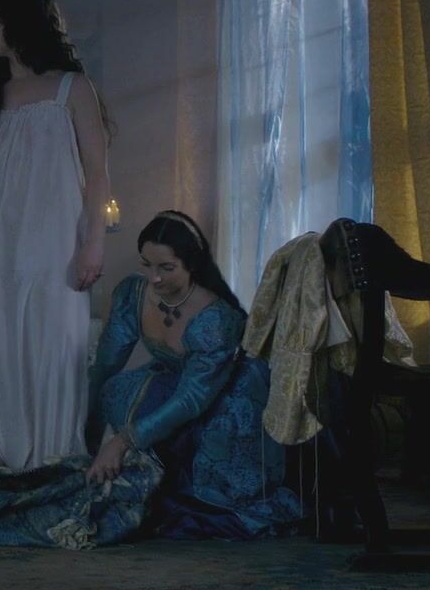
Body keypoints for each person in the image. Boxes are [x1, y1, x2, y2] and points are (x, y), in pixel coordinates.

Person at [0, 0, 112, 470]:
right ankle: (14, 452)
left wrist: (93, 245)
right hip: (1, 247)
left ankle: (55, 456)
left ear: (18, 21)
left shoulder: (72, 87)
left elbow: (97, 173)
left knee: (53, 349)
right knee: (4, 350)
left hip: (54, 245)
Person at [85, 211, 301, 539]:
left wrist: (122, 440)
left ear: (191, 265)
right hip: (178, 381)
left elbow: (193, 398)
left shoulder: (215, 318)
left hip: (226, 394)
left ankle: (194, 488)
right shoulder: (133, 293)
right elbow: (105, 365)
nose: (154, 278)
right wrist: (86, 436)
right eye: (147, 265)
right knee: (117, 389)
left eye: (166, 268)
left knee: (215, 430)